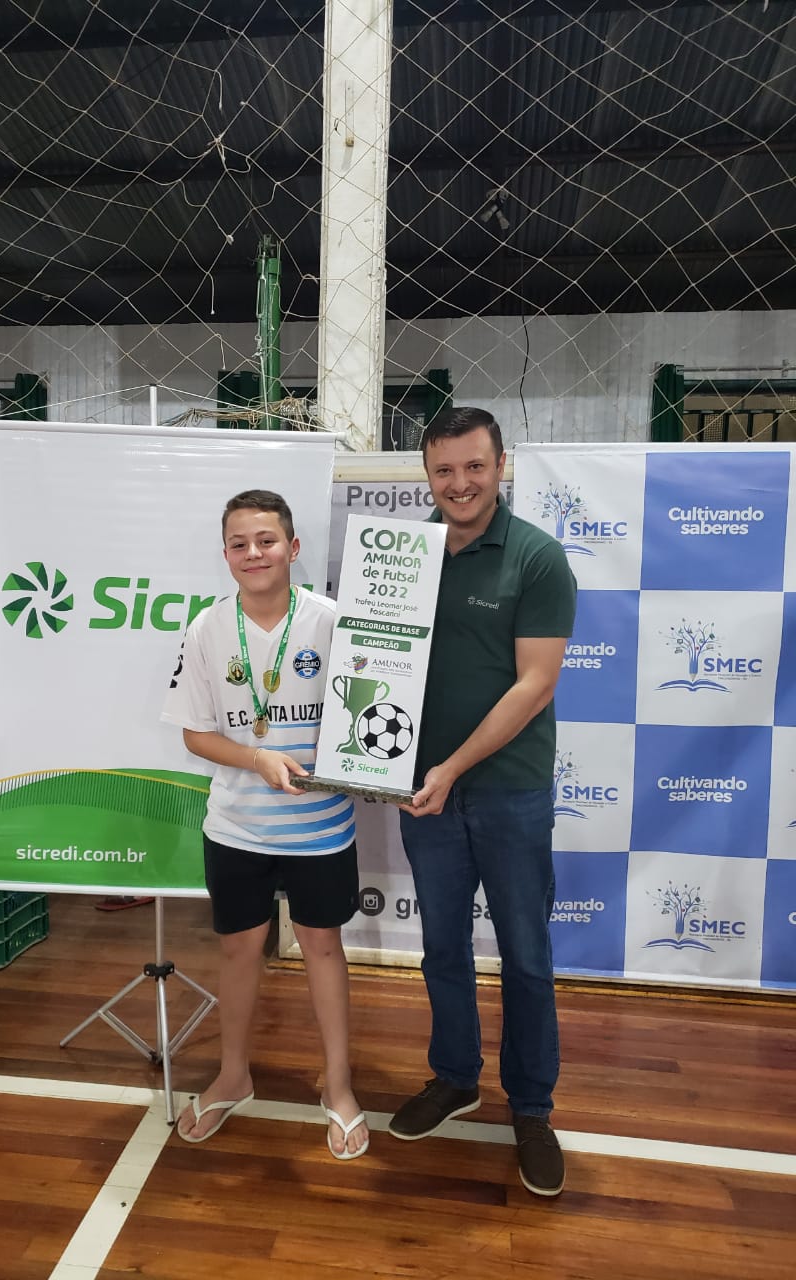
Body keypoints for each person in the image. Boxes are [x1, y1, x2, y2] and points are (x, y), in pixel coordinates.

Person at [388, 407, 576, 1197]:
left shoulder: (536, 557)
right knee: (442, 949)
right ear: (426, 475)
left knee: (526, 957)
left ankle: (531, 1109)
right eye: (444, 470)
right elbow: (376, 656)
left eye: (474, 466)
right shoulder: (402, 555)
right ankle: (456, 1078)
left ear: (501, 466)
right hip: (423, 793)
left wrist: (453, 767)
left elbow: (536, 684)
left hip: (509, 793)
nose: (459, 483)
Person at [162, 488, 369, 1160]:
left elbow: (371, 712)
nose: (254, 553)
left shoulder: (332, 622)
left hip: (320, 827)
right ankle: (233, 1076)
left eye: (267, 540)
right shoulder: (206, 629)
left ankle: (339, 1085)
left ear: (292, 548)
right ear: (225, 554)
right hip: (237, 828)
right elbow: (195, 734)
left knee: (323, 950)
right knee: (239, 952)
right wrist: (256, 758)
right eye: (239, 543)